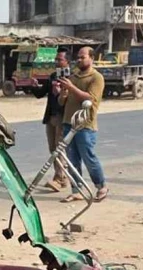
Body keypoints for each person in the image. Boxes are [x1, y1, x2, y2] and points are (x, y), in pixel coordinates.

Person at [58, 46, 108, 203]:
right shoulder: (73, 76)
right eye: (78, 57)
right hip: (68, 123)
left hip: (85, 124)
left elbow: (90, 99)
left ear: (91, 58)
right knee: (72, 159)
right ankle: (77, 190)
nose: (79, 60)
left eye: (82, 57)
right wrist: (62, 92)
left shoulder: (96, 78)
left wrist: (71, 88)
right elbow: (62, 101)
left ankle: (101, 186)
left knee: (89, 157)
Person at [32, 49, 70, 192]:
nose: (57, 62)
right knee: (53, 149)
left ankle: (60, 178)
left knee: (59, 148)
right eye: (56, 59)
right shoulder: (54, 76)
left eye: (60, 60)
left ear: (67, 62)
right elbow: (41, 94)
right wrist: (35, 87)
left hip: (63, 117)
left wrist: (61, 92)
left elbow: (70, 100)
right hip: (51, 116)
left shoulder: (71, 78)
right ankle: (60, 176)